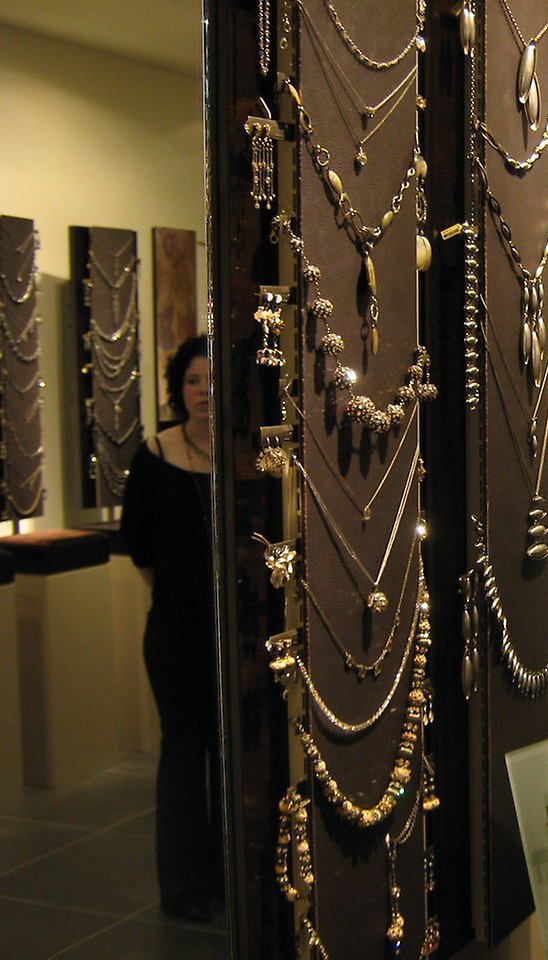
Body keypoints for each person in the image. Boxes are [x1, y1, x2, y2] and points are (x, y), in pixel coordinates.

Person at [121, 335, 222, 922]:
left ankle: (232, 876)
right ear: (178, 389)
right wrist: (175, 593)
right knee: (183, 752)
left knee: (232, 751)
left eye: (211, 381)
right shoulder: (154, 454)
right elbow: (137, 544)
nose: (203, 391)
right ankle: (186, 888)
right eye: (192, 381)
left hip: (233, 632)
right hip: (176, 632)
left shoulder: (241, 454)